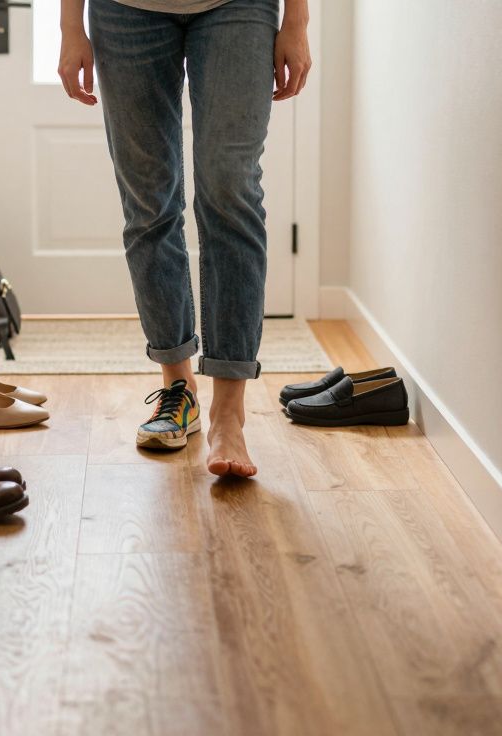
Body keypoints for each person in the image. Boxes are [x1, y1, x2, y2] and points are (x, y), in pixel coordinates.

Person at [58, 0, 311, 477]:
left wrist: (296, 20)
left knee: (230, 189)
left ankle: (228, 415)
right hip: (125, 11)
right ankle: (179, 390)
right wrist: (71, 25)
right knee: (148, 204)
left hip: (238, 7)